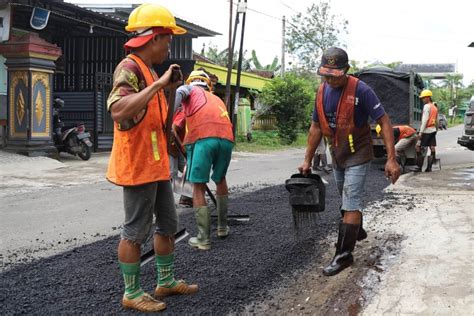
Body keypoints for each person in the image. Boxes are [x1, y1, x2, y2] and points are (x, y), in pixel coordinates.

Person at [106, 3, 198, 312]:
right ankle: (131, 293)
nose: (169, 45)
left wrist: (169, 90)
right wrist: (159, 85)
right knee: (135, 230)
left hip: (155, 162)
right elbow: (118, 110)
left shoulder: (150, 72)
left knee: (168, 223)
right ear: (154, 37)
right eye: (168, 39)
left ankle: (165, 281)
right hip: (137, 163)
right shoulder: (129, 69)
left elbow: (160, 122)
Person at [298, 47, 400, 276]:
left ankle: (344, 255)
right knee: (345, 199)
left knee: (351, 199)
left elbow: (384, 122)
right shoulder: (321, 92)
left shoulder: (361, 90)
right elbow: (316, 127)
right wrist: (306, 159)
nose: (330, 79)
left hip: (359, 152)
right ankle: (357, 228)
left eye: (335, 74)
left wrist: (391, 159)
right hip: (338, 153)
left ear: (346, 71)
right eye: (325, 74)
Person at [173, 70, 234, 250]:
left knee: (198, 186)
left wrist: (167, 116)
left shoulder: (189, 90)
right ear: (208, 84)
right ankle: (222, 228)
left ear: (190, 81)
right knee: (220, 179)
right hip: (227, 139)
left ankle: (203, 238)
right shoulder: (216, 99)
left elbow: (178, 94)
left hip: (203, 138)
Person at [169, 107, 193, 207]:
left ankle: (186, 197)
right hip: (170, 144)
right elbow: (173, 130)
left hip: (177, 145)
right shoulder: (184, 113)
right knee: (172, 173)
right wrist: (182, 147)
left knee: (189, 168)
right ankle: (167, 204)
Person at [415, 89, 438, 172]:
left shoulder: (426, 106)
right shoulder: (434, 107)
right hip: (433, 130)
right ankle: (429, 168)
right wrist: (436, 129)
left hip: (427, 130)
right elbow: (436, 120)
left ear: (428, 98)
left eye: (423, 98)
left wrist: (420, 132)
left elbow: (425, 120)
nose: (423, 99)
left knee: (418, 147)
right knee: (432, 147)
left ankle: (419, 167)